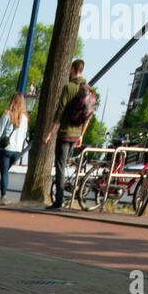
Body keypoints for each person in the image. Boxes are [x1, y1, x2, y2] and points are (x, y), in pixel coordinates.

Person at [43, 58, 95, 210]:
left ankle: (59, 200)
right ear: (82, 70)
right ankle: (71, 192)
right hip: (76, 134)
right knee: (66, 164)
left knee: (60, 166)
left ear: (72, 69)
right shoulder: (88, 89)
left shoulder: (68, 87)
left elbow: (59, 112)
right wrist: (81, 135)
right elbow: (89, 115)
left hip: (65, 133)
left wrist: (49, 133)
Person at [0, 91, 28, 204]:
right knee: (5, 172)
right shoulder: (25, 118)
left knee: (4, 173)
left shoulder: (7, 114)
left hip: (6, 149)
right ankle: (3, 195)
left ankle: (3, 197)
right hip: (17, 151)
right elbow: (24, 135)